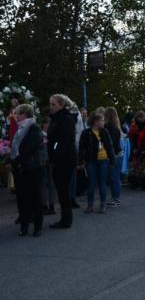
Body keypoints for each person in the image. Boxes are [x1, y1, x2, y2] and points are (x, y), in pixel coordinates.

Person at [10, 104, 44, 237]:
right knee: (22, 198)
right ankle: (24, 226)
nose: (16, 116)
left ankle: (37, 226)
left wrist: (16, 160)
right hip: (21, 168)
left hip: (32, 167)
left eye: (18, 114)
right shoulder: (21, 129)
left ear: (24, 114)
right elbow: (16, 148)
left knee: (35, 197)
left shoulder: (34, 129)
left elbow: (29, 149)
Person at [47, 94, 77, 229]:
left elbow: (62, 142)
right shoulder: (57, 119)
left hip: (64, 160)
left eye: (53, 104)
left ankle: (66, 220)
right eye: (50, 104)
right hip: (59, 159)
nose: (51, 107)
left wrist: (54, 154)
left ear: (61, 105)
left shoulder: (65, 119)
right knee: (61, 190)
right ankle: (65, 218)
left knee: (63, 189)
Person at [79, 112, 115, 214]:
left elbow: (110, 146)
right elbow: (81, 148)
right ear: (96, 121)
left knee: (102, 183)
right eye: (102, 120)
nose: (103, 122)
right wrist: (81, 160)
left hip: (103, 160)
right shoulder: (86, 133)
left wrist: (112, 160)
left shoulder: (105, 132)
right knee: (91, 183)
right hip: (91, 160)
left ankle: (102, 204)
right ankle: (90, 205)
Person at [128, 111, 145, 190]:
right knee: (134, 166)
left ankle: (144, 184)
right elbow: (131, 138)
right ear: (137, 117)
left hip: (144, 148)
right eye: (140, 117)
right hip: (135, 148)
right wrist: (134, 147)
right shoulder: (133, 126)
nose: (142, 119)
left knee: (144, 167)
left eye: (143, 117)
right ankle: (134, 184)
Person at [104, 107, 123, 207]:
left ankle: (116, 199)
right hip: (117, 154)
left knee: (114, 178)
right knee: (114, 178)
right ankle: (115, 198)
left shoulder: (109, 127)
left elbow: (111, 143)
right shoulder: (116, 127)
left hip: (114, 155)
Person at [40, 118, 56, 215]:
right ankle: (44, 204)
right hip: (43, 161)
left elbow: (55, 147)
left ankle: (51, 205)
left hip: (50, 161)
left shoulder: (52, 135)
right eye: (47, 123)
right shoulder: (40, 134)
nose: (48, 125)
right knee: (44, 184)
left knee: (51, 184)